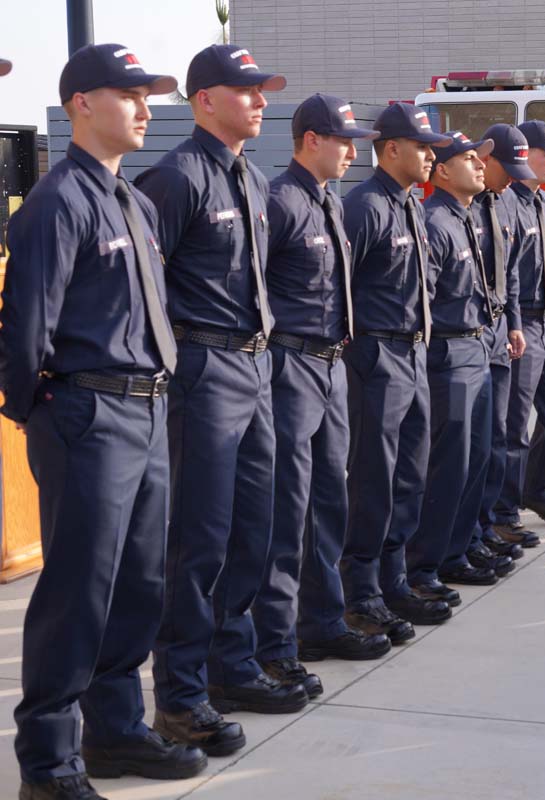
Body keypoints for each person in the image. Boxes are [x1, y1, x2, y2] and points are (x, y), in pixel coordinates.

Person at [1, 43, 208, 798]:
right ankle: (49, 764)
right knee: (79, 591)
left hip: (147, 410)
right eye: (130, 95)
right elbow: (25, 328)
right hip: (87, 413)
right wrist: (41, 413)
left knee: (138, 586)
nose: (147, 108)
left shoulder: (136, 202)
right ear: (81, 104)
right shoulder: (59, 202)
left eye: (148, 95)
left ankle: (116, 730)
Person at [136, 45, 307, 750]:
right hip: (202, 370)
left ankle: (231, 666)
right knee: (198, 540)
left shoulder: (253, 181)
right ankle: (180, 694)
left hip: (256, 369)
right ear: (204, 99)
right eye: (245, 91)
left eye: (262, 91)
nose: (260, 102)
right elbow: (140, 289)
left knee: (251, 532)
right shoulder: (175, 179)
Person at [254, 94, 392, 699]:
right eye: (343, 140)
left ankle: (323, 621)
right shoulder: (280, 201)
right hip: (289, 365)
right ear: (310, 139)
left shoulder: (330, 202)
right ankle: (276, 644)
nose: (352, 151)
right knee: (287, 511)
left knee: (328, 504)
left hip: (331, 366)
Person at [340, 103, 457, 628]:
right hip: (375, 355)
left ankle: (393, 580)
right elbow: (338, 291)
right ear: (391, 149)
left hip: (414, 352)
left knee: (409, 476)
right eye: (422, 147)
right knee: (373, 478)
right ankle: (360, 591)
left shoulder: (412, 204)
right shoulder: (364, 206)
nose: (432, 155)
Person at [407, 132, 499, 589]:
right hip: (447, 352)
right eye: (469, 160)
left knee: (475, 459)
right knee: (447, 466)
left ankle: (455, 551)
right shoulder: (433, 221)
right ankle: (425, 564)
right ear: (442, 170)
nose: (481, 166)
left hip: (476, 345)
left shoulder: (465, 216)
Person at [494, 120, 545, 534]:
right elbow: (505, 273)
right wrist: (512, 326)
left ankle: (534, 488)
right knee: (514, 424)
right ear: (526, 155)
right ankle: (505, 513)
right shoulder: (506, 203)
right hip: (522, 323)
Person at [468, 123, 530, 573]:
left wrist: (513, 323)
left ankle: (484, 525)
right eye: (505, 168)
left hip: (497, 338)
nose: (511, 178)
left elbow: (509, 273)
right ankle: (468, 532)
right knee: (470, 449)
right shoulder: (461, 208)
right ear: (483, 161)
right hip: (467, 342)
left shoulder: (505, 202)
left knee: (496, 440)